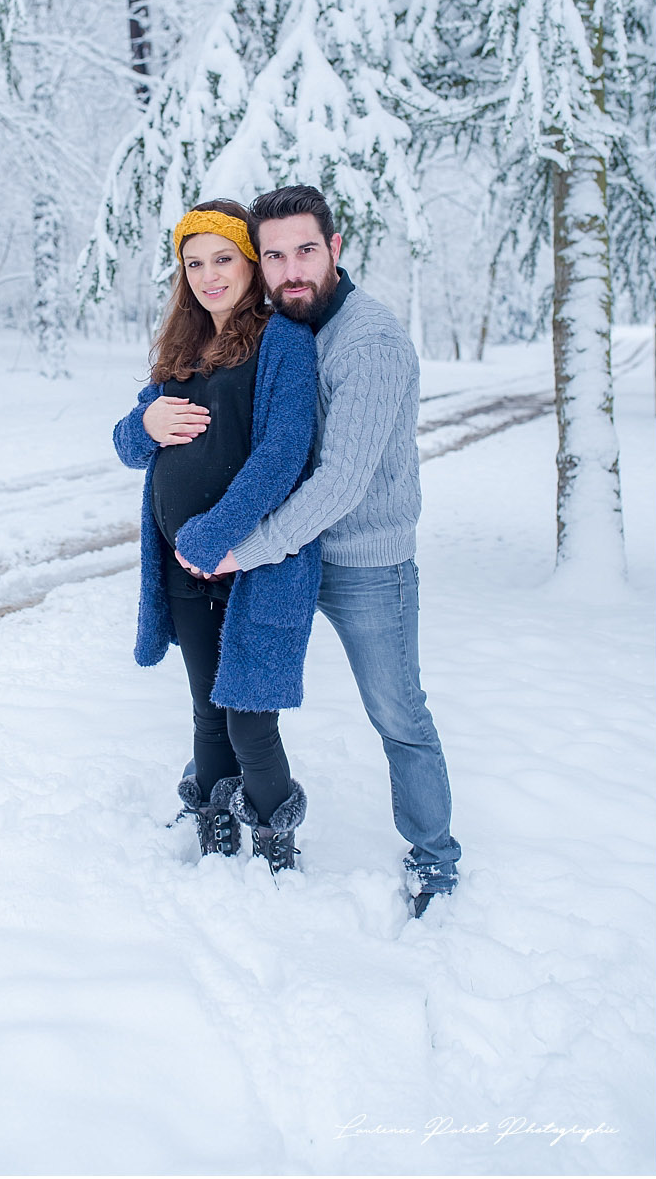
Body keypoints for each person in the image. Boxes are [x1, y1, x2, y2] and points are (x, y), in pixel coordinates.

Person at [183, 184, 462, 916]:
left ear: (335, 248)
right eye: (273, 255)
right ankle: (217, 798)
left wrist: (246, 546)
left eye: (305, 250)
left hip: (364, 563)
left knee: (399, 713)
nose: (289, 268)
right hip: (291, 554)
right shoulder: (289, 325)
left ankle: (434, 857)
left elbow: (340, 480)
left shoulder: (367, 339)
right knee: (233, 682)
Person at [112, 199, 321, 870]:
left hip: (251, 565)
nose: (208, 275)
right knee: (207, 709)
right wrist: (143, 428)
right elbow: (127, 442)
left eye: (222, 258)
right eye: (193, 262)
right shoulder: (181, 349)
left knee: (249, 718)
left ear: (250, 261)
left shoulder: (281, 341)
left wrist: (215, 532)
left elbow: (283, 453)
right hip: (180, 570)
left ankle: (273, 836)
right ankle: (212, 818)